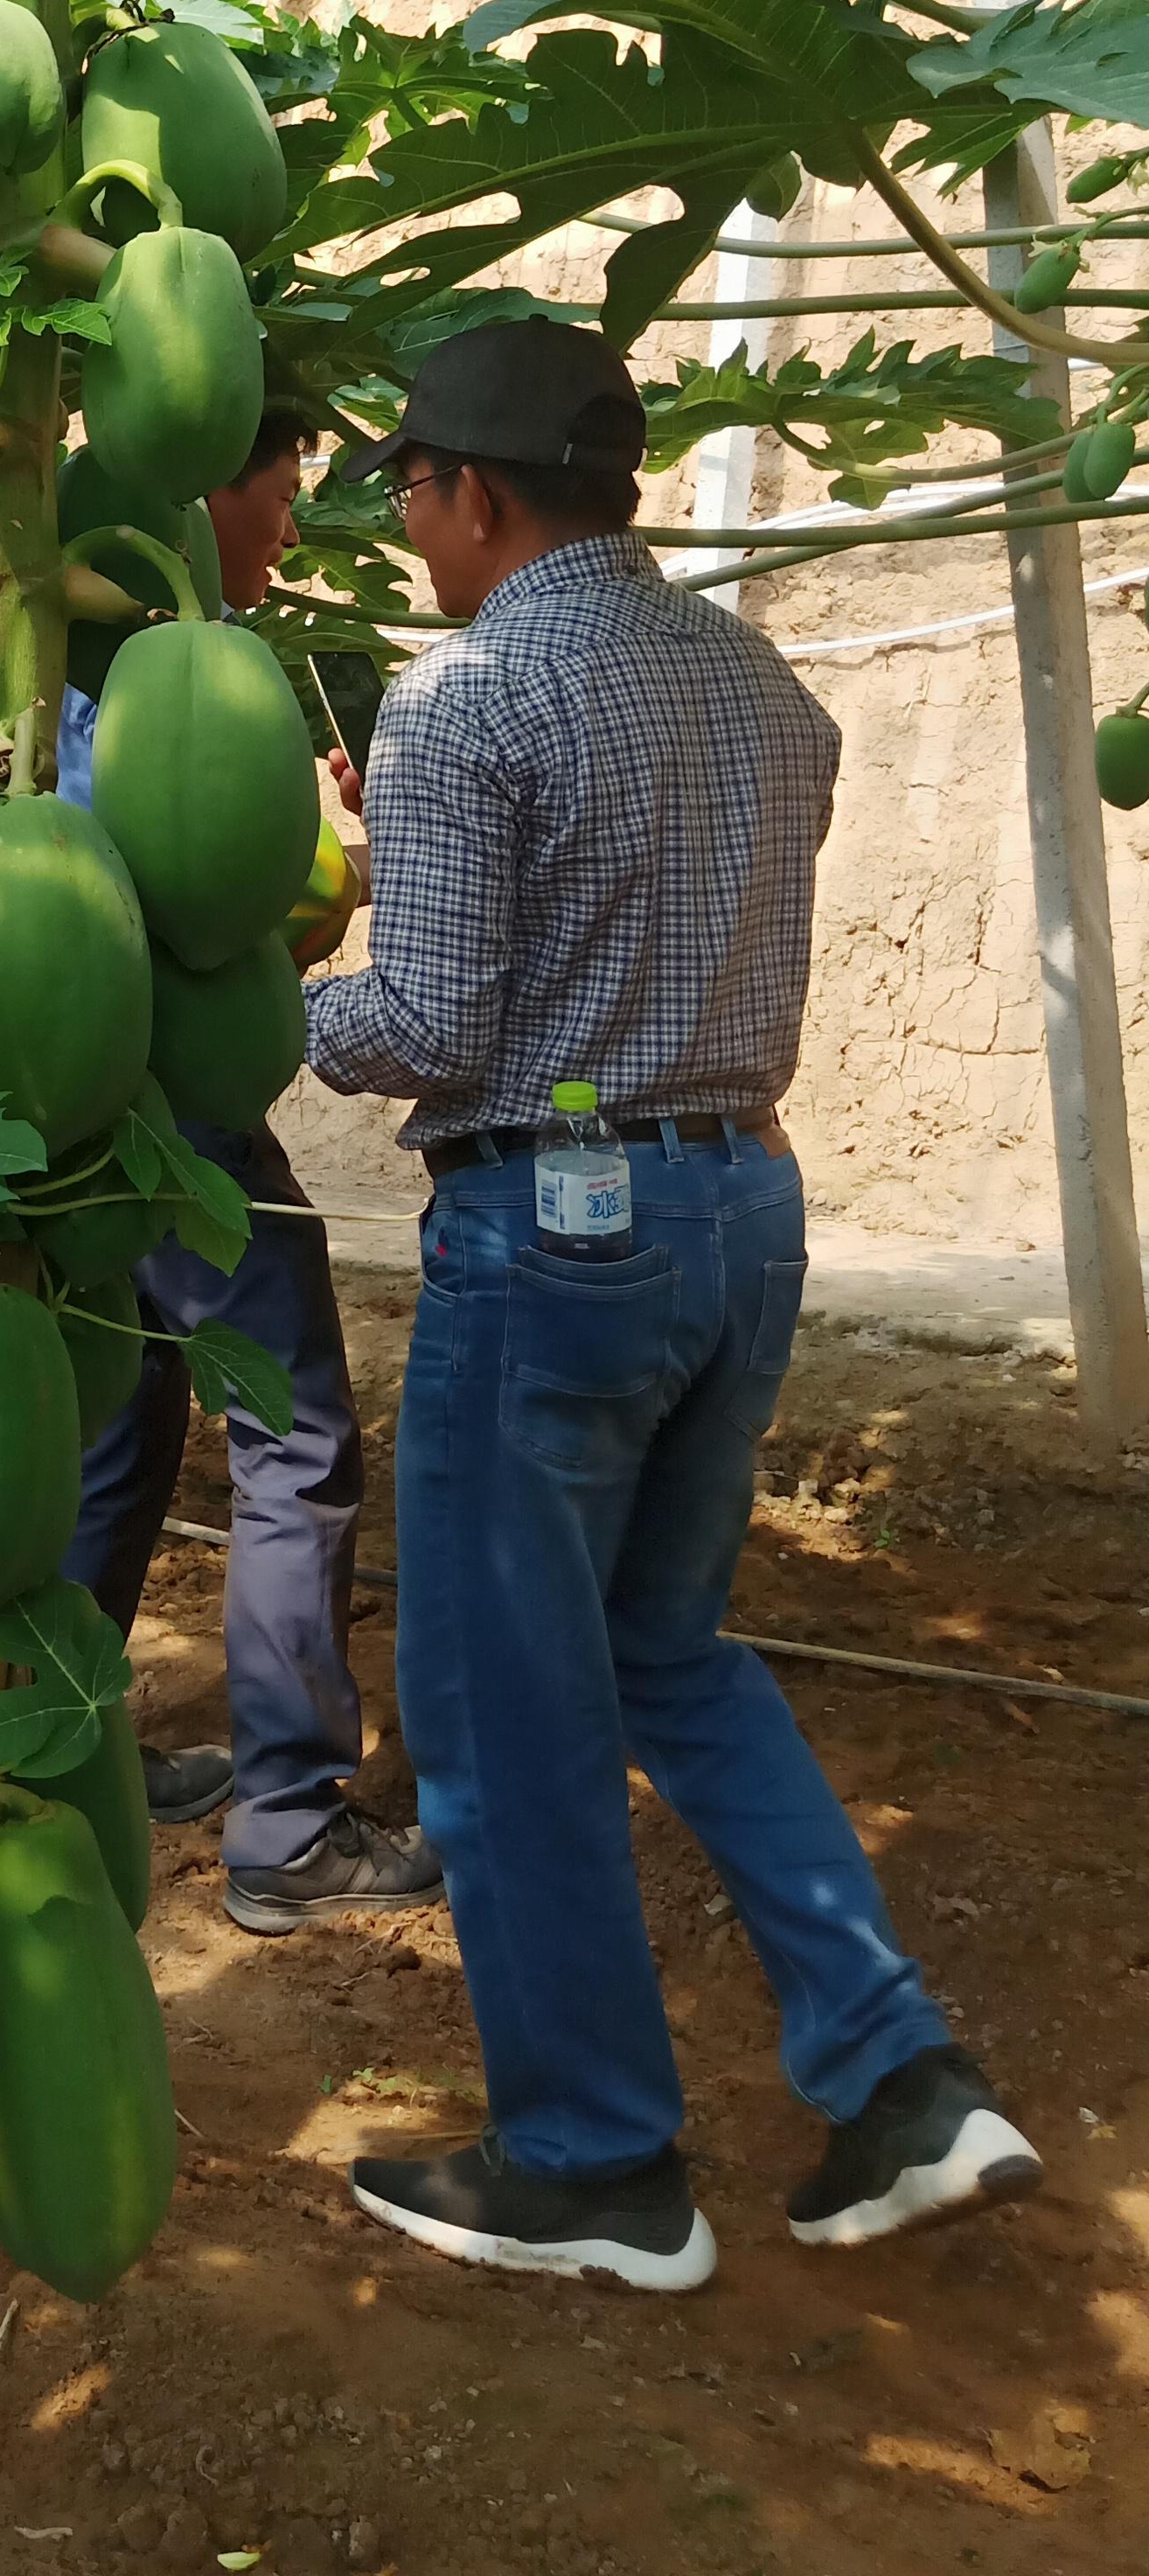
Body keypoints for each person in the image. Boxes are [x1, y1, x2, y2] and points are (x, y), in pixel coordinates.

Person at [306, 314, 1040, 2289]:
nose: (404, 532)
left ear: (466, 493)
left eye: (407, 495)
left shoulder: (462, 703)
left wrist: (231, 1001)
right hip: (741, 1205)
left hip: (553, 1227)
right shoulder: (757, 684)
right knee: (667, 1651)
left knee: (496, 1705)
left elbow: (430, 1020)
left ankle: (595, 2160)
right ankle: (898, 2073)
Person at [59, 410, 442, 1932]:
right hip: (182, 1112)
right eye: (274, 499)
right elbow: (188, 919)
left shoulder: (98, 664)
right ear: (193, 486)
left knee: (124, 1420)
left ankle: (63, 1739)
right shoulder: (169, 680)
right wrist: (316, 880)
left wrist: (317, 855)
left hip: (89, 1106)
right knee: (289, 1436)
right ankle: (289, 1813)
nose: (289, 531)